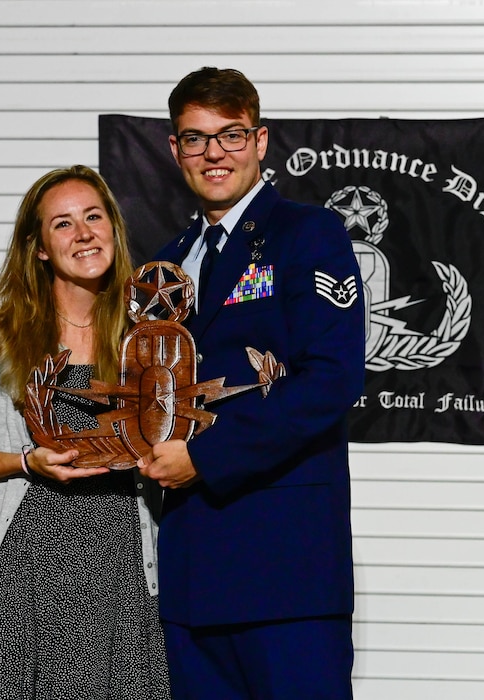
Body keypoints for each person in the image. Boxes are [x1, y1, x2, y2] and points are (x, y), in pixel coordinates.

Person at [137, 67, 366, 699]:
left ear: (261, 142)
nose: (214, 153)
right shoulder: (168, 260)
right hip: (191, 570)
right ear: (174, 149)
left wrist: (204, 459)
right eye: (195, 138)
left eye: (231, 135)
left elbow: (332, 379)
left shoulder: (308, 234)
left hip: (284, 569)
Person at [0, 165, 170, 700]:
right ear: (38, 248)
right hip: (18, 574)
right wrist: (25, 460)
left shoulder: (150, 339)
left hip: (118, 575)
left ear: (113, 228)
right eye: (62, 224)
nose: (83, 233)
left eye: (93, 216)